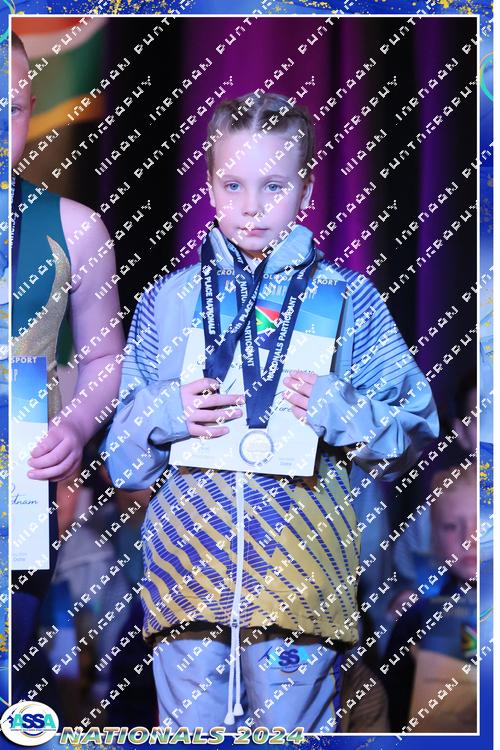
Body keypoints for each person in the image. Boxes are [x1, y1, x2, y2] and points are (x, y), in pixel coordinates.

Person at [104, 92, 439, 732]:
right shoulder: (167, 301)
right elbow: (122, 461)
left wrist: (338, 409)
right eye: (232, 185)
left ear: (306, 190)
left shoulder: (349, 299)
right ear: (209, 187)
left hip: (300, 577)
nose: (251, 206)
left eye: (274, 186)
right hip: (187, 574)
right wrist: (166, 411)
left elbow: (415, 430)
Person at [11, 32, 124, 703]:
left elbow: (104, 356)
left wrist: (77, 426)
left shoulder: (76, 228)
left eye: (13, 108)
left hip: (21, 495)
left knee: (13, 668)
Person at [383, 466, 477, 731]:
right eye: (450, 526)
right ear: (434, 536)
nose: (468, 539)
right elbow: (395, 703)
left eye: (484, 523)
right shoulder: (418, 617)